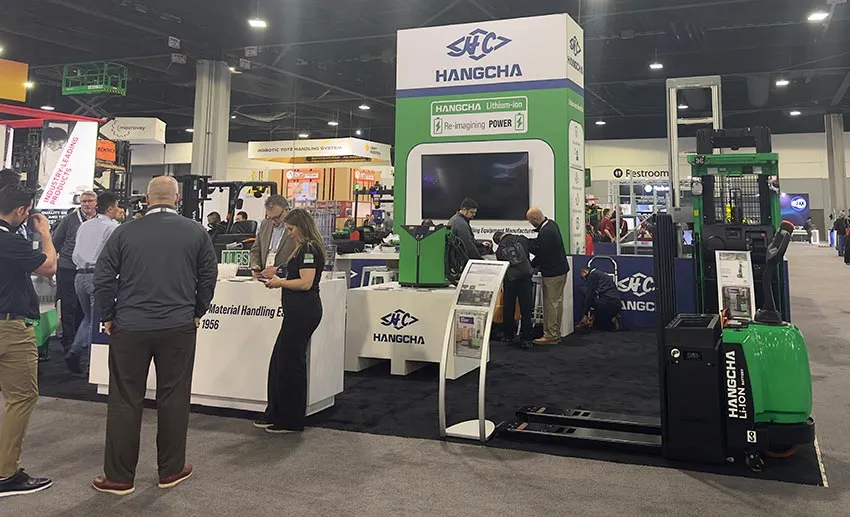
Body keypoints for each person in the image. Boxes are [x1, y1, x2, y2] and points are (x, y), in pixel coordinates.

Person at [92, 176, 217, 495]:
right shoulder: (196, 232)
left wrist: (108, 315)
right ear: (177, 199)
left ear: (147, 200)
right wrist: (197, 311)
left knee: (124, 399)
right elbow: (208, 276)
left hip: (130, 326)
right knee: (174, 396)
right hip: (177, 326)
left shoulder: (124, 231)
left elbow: (103, 277)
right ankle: (171, 470)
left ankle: (119, 477)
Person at [0, 184, 57, 498]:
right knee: (22, 397)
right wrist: (45, 233)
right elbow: (49, 266)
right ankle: (5, 474)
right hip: (9, 327)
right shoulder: (8, 240)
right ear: (22, 210)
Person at [255, 208, 325, 434]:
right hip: (296, 312)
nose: (290, 233)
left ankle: (291, 420)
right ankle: (277, 412)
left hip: (303, 312)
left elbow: (305, 282)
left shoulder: (308, 250)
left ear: (302, 227)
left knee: (291, 365)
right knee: (280, 363)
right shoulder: (302, 249)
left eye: (292, 229)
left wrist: (280, 283)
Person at [66, 191, 120, 374]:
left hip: (79, 276)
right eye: (117, 206)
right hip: (98, 277)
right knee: (97, 320)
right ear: (110, 208)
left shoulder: (85, 225)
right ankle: (92, 363)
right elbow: (114, 254)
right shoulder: (112, 227)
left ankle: (75, 350)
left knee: (89, 317)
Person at [52, 190, 97, 355]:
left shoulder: (99, 221)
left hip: (89, 270)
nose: (87, 204)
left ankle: (81, 344)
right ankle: (68, 343)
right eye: (84, 201)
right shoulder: (69, 220)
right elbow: (56, 241)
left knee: (83, 309)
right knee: (68, 307)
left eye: (90, 201)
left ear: (96, 203)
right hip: (68, 269)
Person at [526, 207, 570, 345]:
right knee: (556, 303)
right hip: (560, 270)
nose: (530, 224)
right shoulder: (551, 224)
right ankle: (555, 333)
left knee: (550, 304)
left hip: (552, 273)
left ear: (534, 219)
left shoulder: (546, 232)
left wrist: (529, 265)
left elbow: (540, 252)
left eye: (530, 221)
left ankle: (550, 335)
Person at [493, 231, 534, 348]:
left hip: (510, 281)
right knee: (526, 309)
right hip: (525, 279)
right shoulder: (522, 239)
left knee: (508, 308)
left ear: (498, 241)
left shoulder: (500, 249)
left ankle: (508, 336)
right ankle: (526, 339)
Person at [250, 196, 297, 280]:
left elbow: (300, 255)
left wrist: (279, 270)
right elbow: (255, 250)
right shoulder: (265, 224)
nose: (273, 221)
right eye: (269, 217)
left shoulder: (297, 226)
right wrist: (255, 265)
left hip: (287, 278)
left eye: (277, 217)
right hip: (264, 277)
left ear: (286, 210)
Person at [576, 267, 623, 331]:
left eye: (583, 277)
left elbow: (590, 295)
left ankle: (586, 320)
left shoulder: (593, 275)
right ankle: (611, 317)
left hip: (608, 302)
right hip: (615, 302)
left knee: (587, 297)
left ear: (585, 272)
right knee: (593, 301)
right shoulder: (600, 274)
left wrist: (585, 313)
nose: (585, 279)